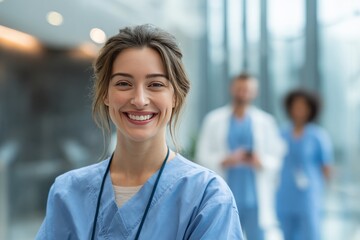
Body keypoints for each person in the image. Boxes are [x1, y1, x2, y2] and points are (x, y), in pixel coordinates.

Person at [36, 24, 243, 240]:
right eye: (124, 83)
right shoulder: (68, 193)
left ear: (175, 96)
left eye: (155, 84)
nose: (139, 100)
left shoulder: (206, 196)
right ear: (106, 94)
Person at [196, 73, 285, 240]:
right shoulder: (214, 120)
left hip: (256, 197)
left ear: (255, 92)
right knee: (224, 234)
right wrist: (226, 160)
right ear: (232, 89)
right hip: (226, 192)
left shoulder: (266, 122)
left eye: (248, 90)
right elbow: (202, 155)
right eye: (240, 89)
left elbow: (277, 158)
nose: (243, 93)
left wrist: (261, 161)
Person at [276, 89, 333, 240]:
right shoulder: (281, 133)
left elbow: (326, 167)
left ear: (310, 109)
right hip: (285, 192)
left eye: (303, 106)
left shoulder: (318, 136)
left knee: (311, 232)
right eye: (295, 106)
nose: (299, 110)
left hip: (309, 194)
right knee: (286, 232)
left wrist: (324, 190)